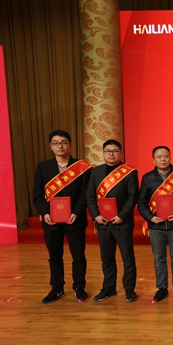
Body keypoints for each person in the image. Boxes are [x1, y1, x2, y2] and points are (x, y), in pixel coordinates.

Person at [32, 130, 92, 304]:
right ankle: (57, 288)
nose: (60, 146)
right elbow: (37, 194)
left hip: (75, 218)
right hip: (51, 220)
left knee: (78, 255)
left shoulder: (82, 167)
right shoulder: (43, 166)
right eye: (56, 143)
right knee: (54, 255)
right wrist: (45, 213)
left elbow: (85, 194)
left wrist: (76, 212)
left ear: (70, 145)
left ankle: (79, 287)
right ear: (51, 146)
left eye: (64, 142)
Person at [87, 139, 139, 302]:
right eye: (108, 151)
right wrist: (96, 215)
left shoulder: (129, 172)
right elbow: (90, 196)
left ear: (120, 153)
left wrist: (121, 216)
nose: (111, 154)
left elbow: (132, 197)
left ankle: (129, 289)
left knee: (127, 258)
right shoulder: (95, 172)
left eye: (115, 151)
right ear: (103, 153)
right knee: (107, 257)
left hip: (122, 222)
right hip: (102, 222)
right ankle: (109, 288)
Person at [137, 146, 173, 302]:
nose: (163, 159)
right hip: (156, 226)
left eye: (166, 156)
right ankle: (162, 288)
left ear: (170, 157)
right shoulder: (147, 178)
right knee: (159, 258)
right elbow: (141, 202)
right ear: (153, 160)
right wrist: (150, 218)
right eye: (159, 157)